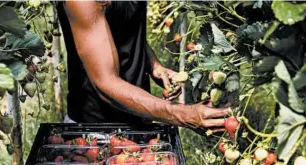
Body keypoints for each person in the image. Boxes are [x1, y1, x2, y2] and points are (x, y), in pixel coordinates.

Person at [56, 1, 230, 131]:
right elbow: (105, 83)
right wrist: (180, 113)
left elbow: (123, 30)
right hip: (95, 132)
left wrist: (154, 66)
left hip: (139, 120)